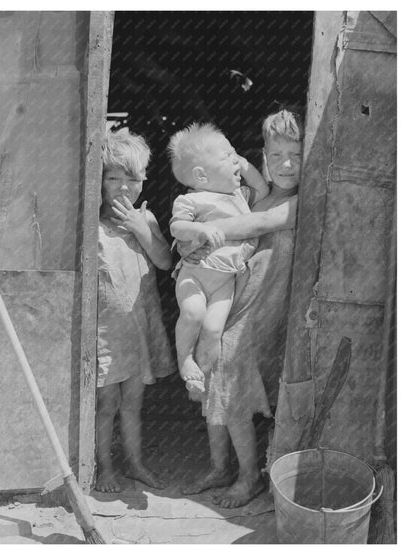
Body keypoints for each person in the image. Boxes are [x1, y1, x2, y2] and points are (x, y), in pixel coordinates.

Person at [178, 109, 303, 508]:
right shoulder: (258, 192)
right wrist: (194, 234)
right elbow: (227, 205)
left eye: (296, 155)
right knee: (214, 374)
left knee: (230, 375)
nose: (286, 164)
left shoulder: (301, 200)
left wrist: (199, 236)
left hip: (263, 307)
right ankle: (220, 467)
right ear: (264, 155)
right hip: (232, 297)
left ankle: (249, 477)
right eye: (277, 154)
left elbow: (257, 225)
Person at [95, 126, 175, 493]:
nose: (124, 188)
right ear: (100, 182)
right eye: (114, 179)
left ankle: (136, 463)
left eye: (133, 179)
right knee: (106, 404)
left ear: (144, 181)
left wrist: (141, 229)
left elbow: (163, 261)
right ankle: (104, 467)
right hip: (107, 335)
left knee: (133, 403)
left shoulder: (148, 219)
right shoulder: (92, 226)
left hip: (139, 330)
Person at [168, 122, 269, 398]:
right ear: (201, 175)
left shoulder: (239, 196)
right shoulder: (193, 200)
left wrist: (245, 165)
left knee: (213, 330)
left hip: (225, 282)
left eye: (235, 154)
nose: (235, 159)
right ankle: (185, 358)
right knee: (193, 313)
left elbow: (262, 190)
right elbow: (177, 228)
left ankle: (201, 380)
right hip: (196, 275)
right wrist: (200, 230)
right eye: (227, 157)